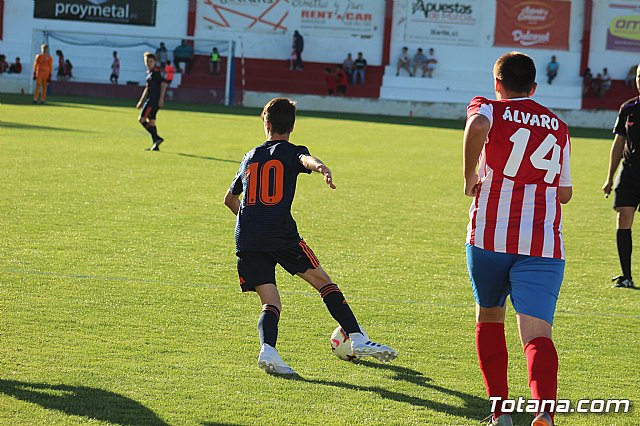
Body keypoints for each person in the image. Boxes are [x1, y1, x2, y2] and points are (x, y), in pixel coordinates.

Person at [223, 97, 398, 375]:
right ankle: (356, 336)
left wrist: (251, 222)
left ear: (266, 124)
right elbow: (305, 160)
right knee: (323, 282)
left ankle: (268, 350)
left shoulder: (250, 156)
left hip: (247, 237)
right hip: (281, 234)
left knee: (270, 302)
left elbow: (229, 199)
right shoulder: (293, 151)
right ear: (292, 127)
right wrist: (321, 167)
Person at [463, 52, 572, 426]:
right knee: (537, 333)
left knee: (490, 317)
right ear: (534, 87)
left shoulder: (488, 106)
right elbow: (565, 193)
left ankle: (500, 412)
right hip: (542, 243)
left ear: (497, 83)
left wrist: (469, 176)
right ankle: (544, 412)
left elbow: (478, 124)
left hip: (489, 238)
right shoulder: (559, 127)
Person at [601, 64, 640, 289]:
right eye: (639, 76)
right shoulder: (628, 108)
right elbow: (618, 143)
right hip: (630, 171)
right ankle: (626, 276)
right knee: (623, 216)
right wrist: (609, 177)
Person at [136, 52, 167, 151]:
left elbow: (163, 84)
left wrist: (161, 99)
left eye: (151, 61)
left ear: (154, 62)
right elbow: (147, 88)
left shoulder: (156, 73)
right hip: (151, 100)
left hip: (152, 101)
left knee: (141, 119)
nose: (148, 63)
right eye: (147, 61)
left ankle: (157, 138)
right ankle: (155, 145)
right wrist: (141, 101)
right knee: (152, 122)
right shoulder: (149, 73)